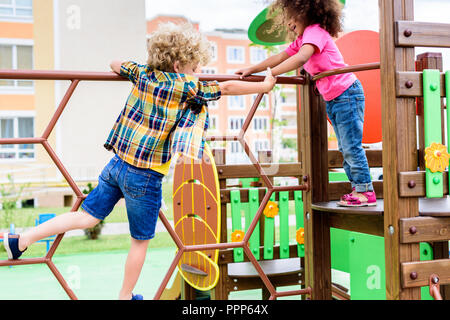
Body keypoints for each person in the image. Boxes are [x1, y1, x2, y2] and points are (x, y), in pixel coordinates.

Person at [2, 22, 277, 300]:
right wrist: (265, 86)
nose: (199, 72)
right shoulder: (189, 87)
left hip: (116, 165)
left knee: (85, 217)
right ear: (181, 65)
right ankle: (125, 296)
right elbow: (227, 87)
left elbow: (115, 63)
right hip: (145, 177)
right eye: (196, 66)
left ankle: (22, 240)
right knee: (140, 241)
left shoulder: (142, 73)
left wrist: (128, 66)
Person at [236, 0, 375, 207]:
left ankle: (365, 191)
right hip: (335, 98)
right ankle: (358, 189)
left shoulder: (315, 31)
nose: (289, 23)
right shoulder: (302, 38)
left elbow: (302, 58)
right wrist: (251, 69)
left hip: (347, 93)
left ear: (307, 12)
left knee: (350, 146)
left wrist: (271, 74)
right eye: (287, 18)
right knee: (345, 147)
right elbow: (280, 56)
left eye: (292, 16)